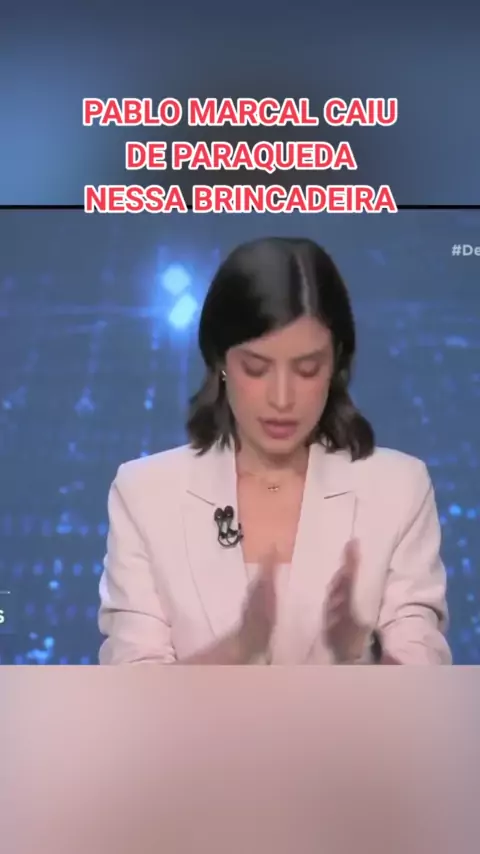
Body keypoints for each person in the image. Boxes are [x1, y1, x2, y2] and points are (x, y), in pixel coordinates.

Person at [98, 237, 452, 665]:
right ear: (220, 362)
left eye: (307, 368)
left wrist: (361, 648)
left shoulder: (399, 490)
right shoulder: (144, 494)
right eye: (256, 368)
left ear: (336, 363)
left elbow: (423, 684)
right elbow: (133, 689)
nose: (282, 399)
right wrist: (238, 648)